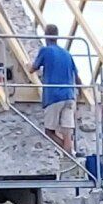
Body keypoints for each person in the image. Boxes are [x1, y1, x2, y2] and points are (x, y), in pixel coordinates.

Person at [30, 22, 84, 156]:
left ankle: (70, 153)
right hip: (69, 96)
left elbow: (33, 69)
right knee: (67, 133)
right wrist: (81, 92)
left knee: (49, 132)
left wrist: (27, 65)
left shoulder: (46, 51)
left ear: (46, 36)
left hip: (53, 96)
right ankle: (71, 154)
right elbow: (76, 77)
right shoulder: (66, 53)